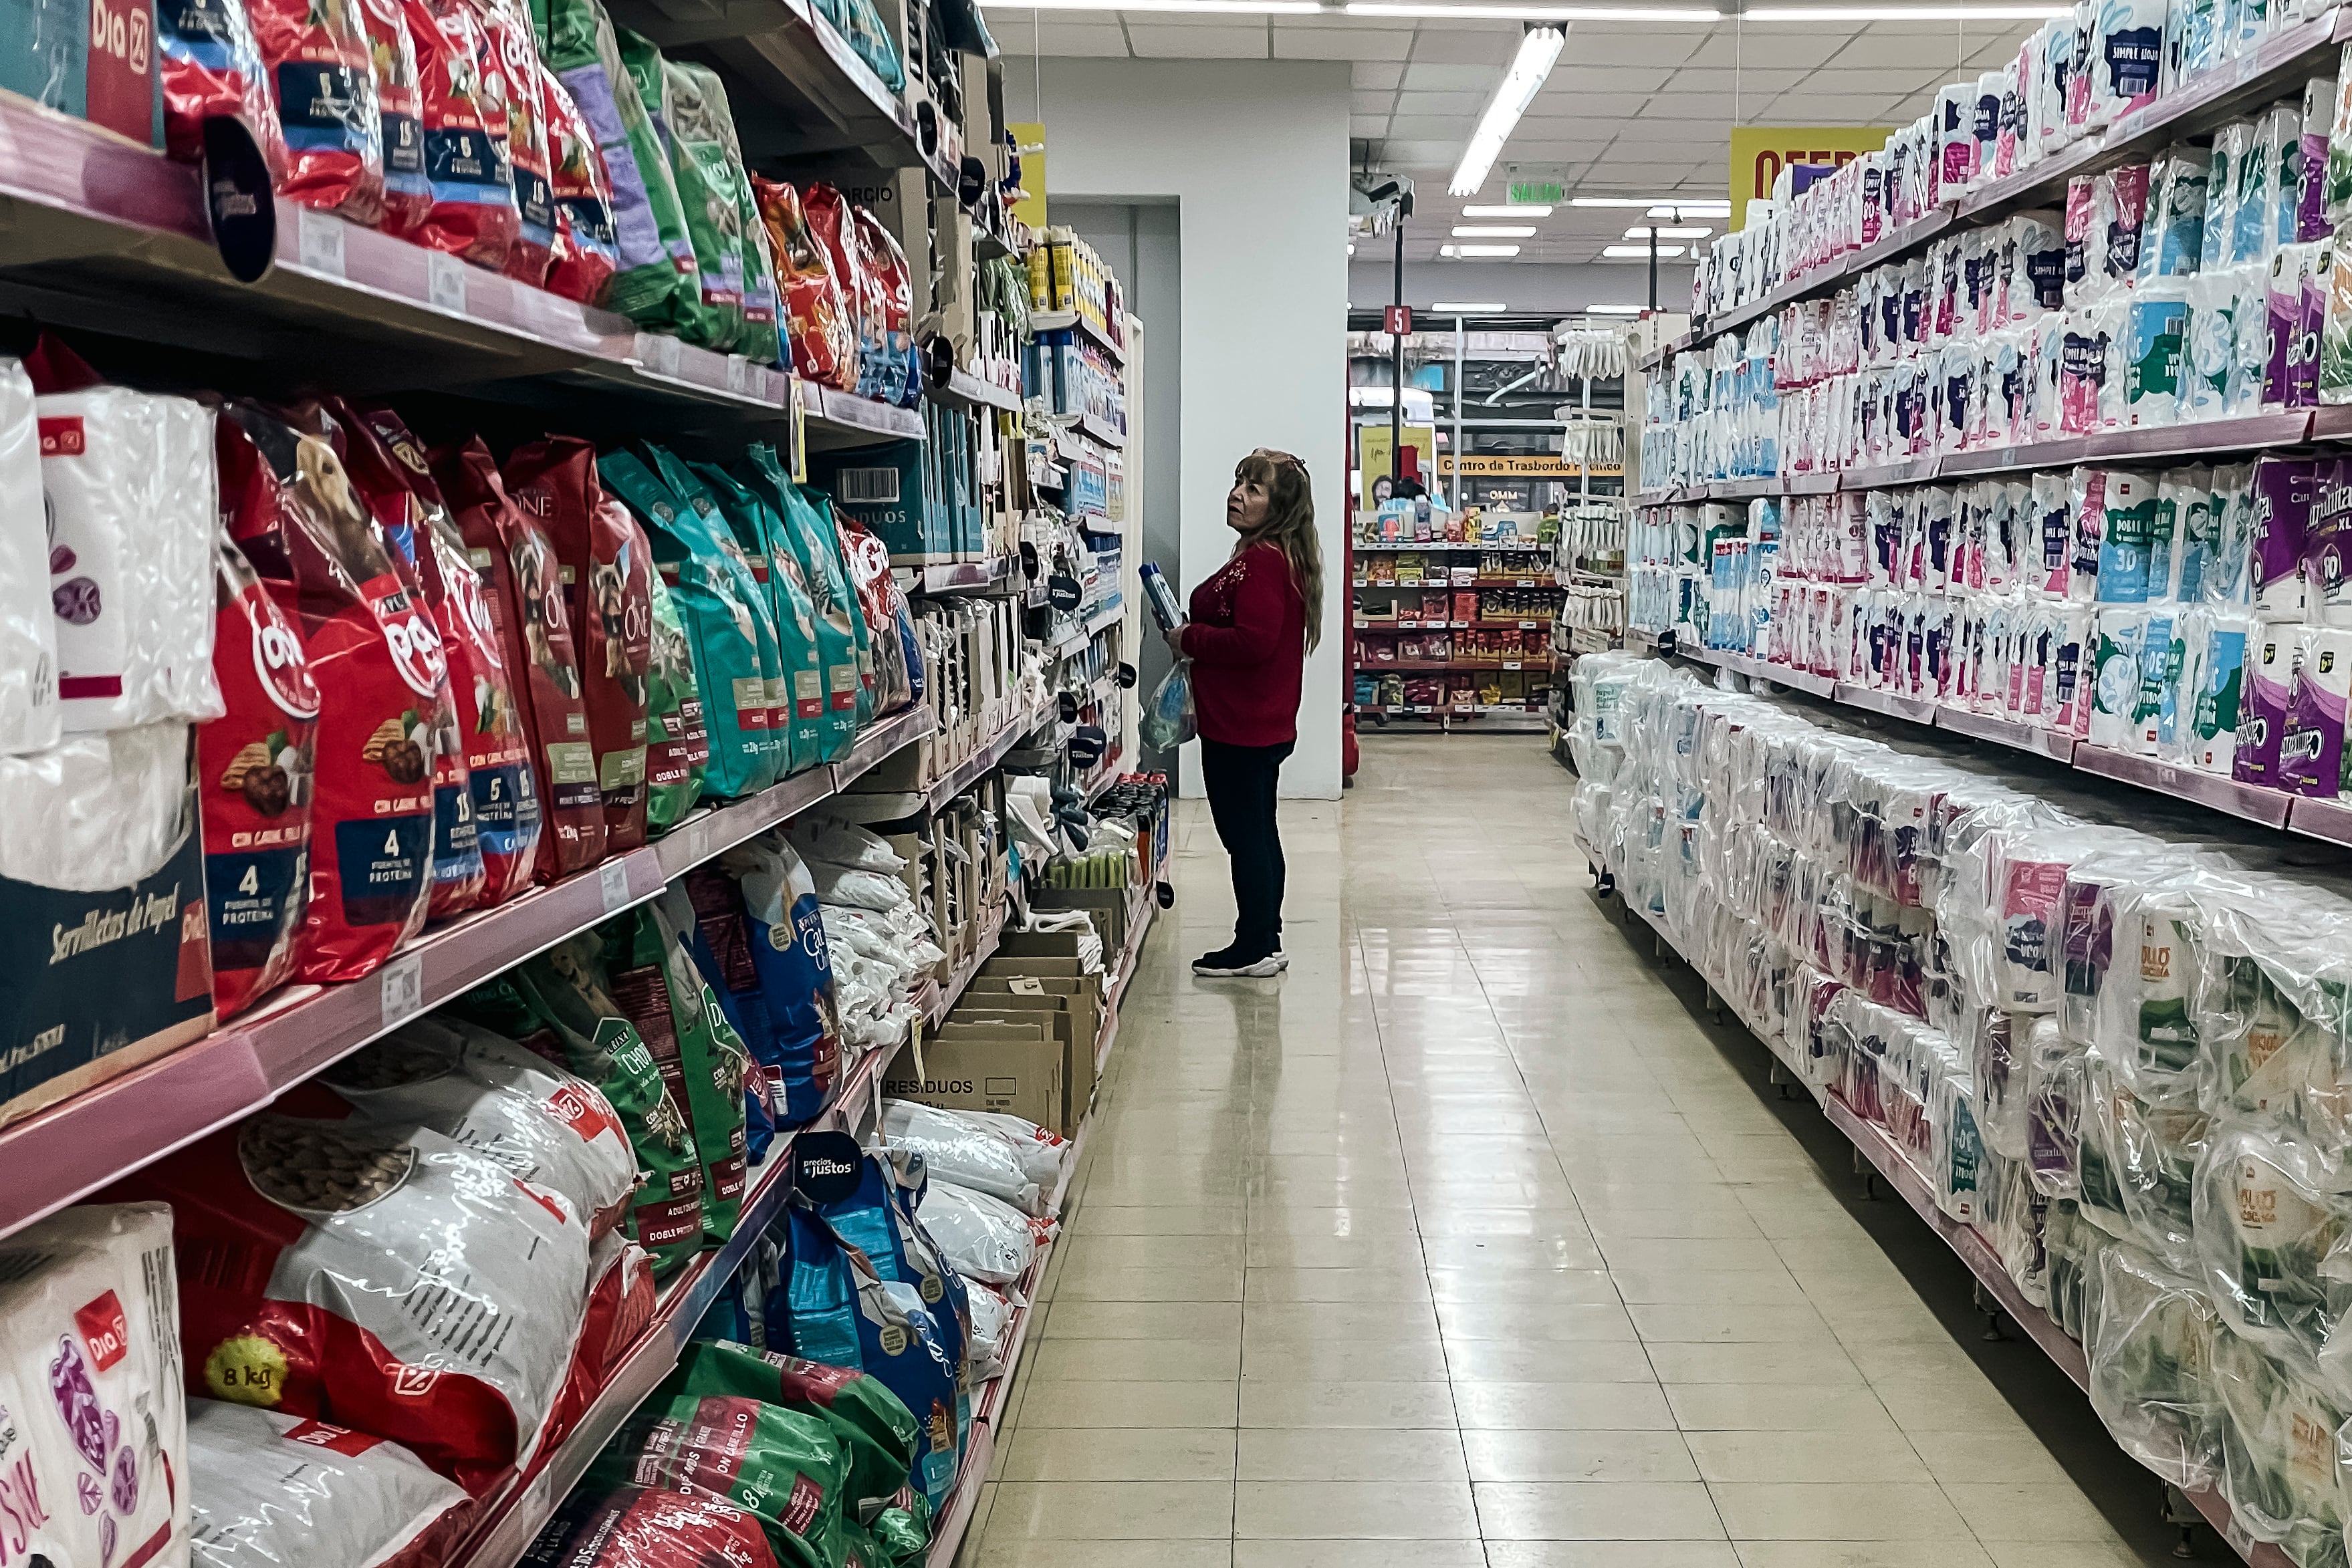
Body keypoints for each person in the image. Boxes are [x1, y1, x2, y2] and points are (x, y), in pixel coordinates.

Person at [1163, 449, 1322, 978]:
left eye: (1254, 489)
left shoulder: (1264, 561)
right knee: (1257, 832)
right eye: (1238, 482)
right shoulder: (1268, 555)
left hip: (1243, 726)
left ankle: (1254, 944)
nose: (1237, 494)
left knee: (1246, 837)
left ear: (1279, 506)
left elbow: (1254, 642)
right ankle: (1263, 937)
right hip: (1254, 722)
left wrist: (1190, 638)